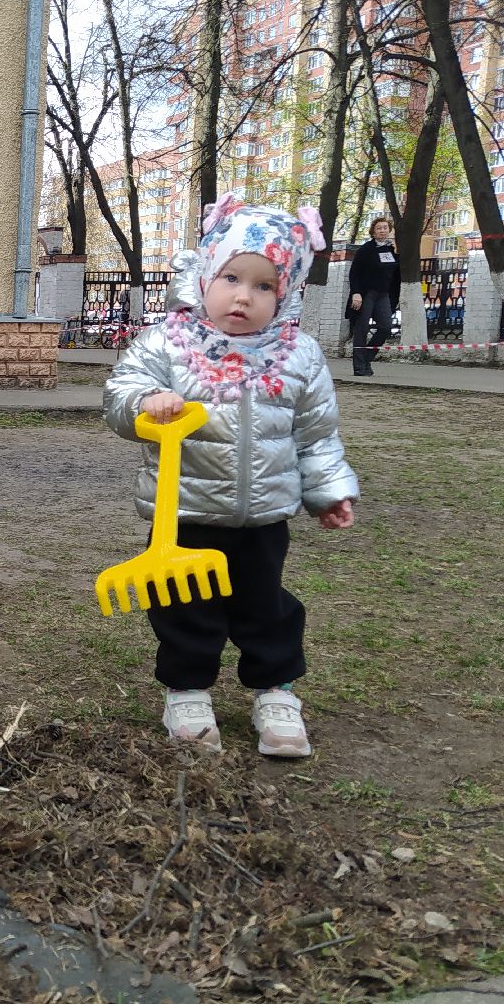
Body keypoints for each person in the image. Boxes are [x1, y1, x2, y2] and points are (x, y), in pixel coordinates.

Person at [103, 193, 359, 758]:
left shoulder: (300, 356)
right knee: (181, 608)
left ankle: (275, 693)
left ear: (285, 292)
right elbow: (118, 397)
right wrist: (148, 401)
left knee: (264, 605)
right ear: (204, 276)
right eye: (231, 277)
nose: (244, 296)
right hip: (184, 514)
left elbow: (315, 435)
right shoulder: (166, 344)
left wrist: (328, 491)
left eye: (264, 285)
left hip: (262, 516)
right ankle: (188, 693)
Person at [347, 217, 400, 376]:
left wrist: (394, 299)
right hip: (365, 294)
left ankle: (367, 358)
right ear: (373, 231)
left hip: (383, 295)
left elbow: (395, 276)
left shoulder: (391, 251)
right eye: (379, 228)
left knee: (386, 327)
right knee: (361, 329)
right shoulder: (366, 249)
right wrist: (356, 293)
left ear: (389, 230)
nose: (382, 230)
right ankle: (359, 367)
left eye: (385, 228)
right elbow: (354, 272)